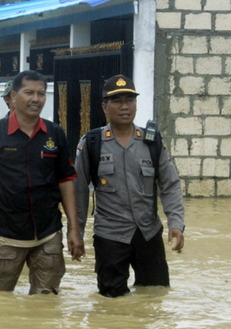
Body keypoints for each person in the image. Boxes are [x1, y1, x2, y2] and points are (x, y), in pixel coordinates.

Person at [0, 70, 84, 294]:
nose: (36, 99)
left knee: (46, 303)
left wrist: (73, 230)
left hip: (48, 233)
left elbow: (66, 182)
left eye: (41, 93)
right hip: (6, 234)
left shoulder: (55, 134)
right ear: (13, 96)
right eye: (29, 92)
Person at [74, 74, 185, 298]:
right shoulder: (92, 143)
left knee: (155, 296)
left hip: (148, 234)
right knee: (112, 302)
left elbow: (170, 184)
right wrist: (75, 232)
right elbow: (78, 191)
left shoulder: (152, 142)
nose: (125, 107)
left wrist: (176, 222)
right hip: (110, 237)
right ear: (105, 107)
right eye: (117, 101)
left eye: (130, 100)